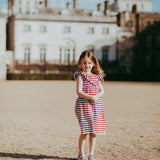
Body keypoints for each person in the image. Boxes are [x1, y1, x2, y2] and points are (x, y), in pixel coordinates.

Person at [73, 50, 106, 160]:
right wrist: (90, 97)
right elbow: (79, 92)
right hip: (83, 106)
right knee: (85, 130)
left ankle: (91, 153)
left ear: (93, 64)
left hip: (96, 106)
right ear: (80, 63)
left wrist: (96, 96)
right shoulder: (80, 75)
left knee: (93, 131)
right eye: (84, 63)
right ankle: (81, 153)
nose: (87, 65)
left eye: (89, 63)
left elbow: (102, 91)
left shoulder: (96, 77)